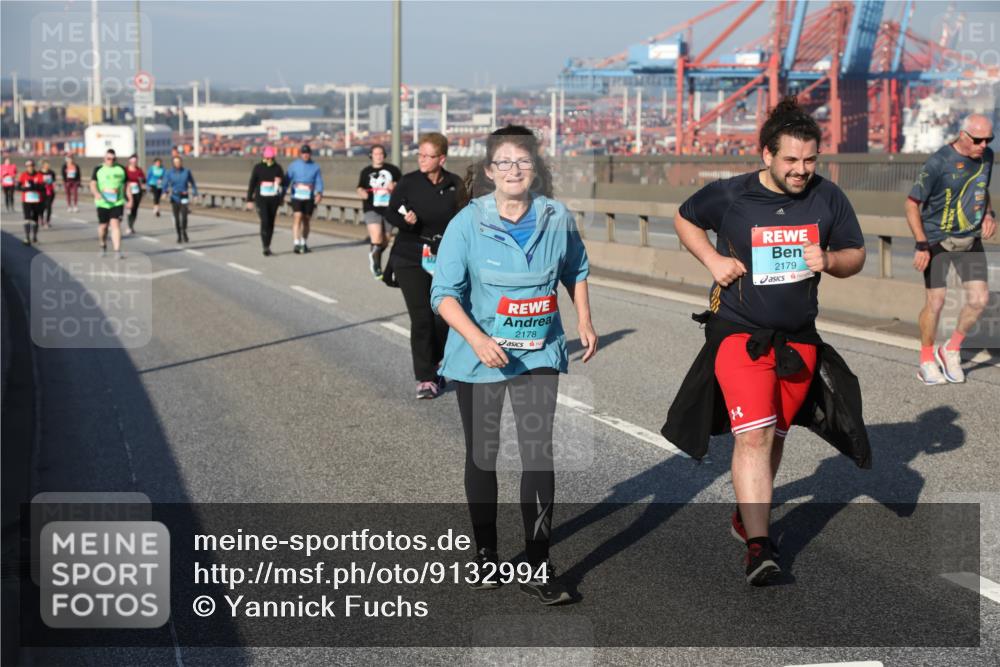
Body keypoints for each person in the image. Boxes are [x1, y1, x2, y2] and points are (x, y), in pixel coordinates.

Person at [663, 96, 868, 586]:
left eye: (810, 160)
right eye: (791, 160)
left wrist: (831, 263)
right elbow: (684, 217)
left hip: (798, 341)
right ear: (766, 156)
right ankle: (760, 547)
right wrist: (713, 262)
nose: (801, 170)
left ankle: (746, 515)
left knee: (774, 434)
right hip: (739, 333)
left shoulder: (828, 197)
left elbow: (856, 254)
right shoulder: (731, 196)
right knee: (752, 435)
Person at [431, 125, 597, 605]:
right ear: (489, 172)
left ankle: (537, 563)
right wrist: (477, 338)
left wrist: (584, 319)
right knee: (483, 454)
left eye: (522, 162)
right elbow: (443, 295)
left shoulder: (555, 216)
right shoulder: (468, 222)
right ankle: (486, 556)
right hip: (480, 357)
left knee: (537, 452)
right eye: (503, 163)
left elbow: (576, 269)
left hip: (539, 352)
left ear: (535, 170)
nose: (513, 171)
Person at [906, 113, 994, 385]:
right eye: (978, 140)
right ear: (963, 136)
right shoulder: (938, 162)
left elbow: (982, 189)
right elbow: (911, 204)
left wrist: (989, 214)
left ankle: (951, 349)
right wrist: (921, 244)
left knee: (979, 300)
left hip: (969, 237)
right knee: (937, 301)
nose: (984, 145)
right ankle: (926, 360)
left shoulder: (987, 157)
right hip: (937, 238)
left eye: (988, 139)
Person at [385, 132, 465, 399]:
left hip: (444, 257)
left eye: (427, 156)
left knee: (442, 317)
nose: (421, 160)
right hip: (411, 255)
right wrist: (405, 220)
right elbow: (390, 211)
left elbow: (466, 218)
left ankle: (439, 360)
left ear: (441, 158)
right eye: (419, 154)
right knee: (421, 318)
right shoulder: (408, 183)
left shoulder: (455, 185)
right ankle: (426, 378)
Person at [356, 144, 402, 278]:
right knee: (376, 237)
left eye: (381, 153)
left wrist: (395, 186)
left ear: (384, 155)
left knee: (386, 240)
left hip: (389, 208)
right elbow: (359, 187)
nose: (378, 156)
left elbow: (403, 185)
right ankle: (376, 267)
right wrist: (361, 192)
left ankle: (374, 257)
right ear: (371, 156)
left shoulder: (393, 170)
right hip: (371, 207)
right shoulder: (366, 171)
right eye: (376, 154)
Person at [89, 149, 132, 258]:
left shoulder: (121, 169)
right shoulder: (98, 169)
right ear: (104, 158)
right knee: (103, 227)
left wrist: (130, 199)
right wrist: (96, 193)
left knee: (115, 224)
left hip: (117, 202)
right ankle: (102, 245)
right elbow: (93, 184)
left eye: (113, 159)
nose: (111, 161)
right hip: (102, 203)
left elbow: (127, 186)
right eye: (108, 159)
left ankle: (117, 251)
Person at [285, 144, 323, 254]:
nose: (305, 155)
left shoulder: (315, 167)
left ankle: (303, 242)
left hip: (309, 197)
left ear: (310, 154)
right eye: (303, 153)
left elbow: (319, 181)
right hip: (296, 196)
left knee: (306, 220)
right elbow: (287, 180)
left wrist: (319, 193)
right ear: (300, 154)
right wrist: (281, 192)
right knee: (297, 216)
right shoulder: (293, 166)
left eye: (307, 153)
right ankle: (296, 243)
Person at [246, 146, 284, 256]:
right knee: (265, 221)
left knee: (271, 223)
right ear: (264, 157)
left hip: (273, 199)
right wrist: (249, 199)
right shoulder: (258, 167)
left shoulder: (278, 168)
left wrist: (280, 181)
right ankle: (265, 246)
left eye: (271, 158)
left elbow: (283, 184)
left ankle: (268, 244)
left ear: (273, 157)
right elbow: (252, 183)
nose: (269, 160)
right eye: (267, 158)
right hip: (261, 199)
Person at [162, 155, 198, 244]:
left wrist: (195, 194)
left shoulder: (186, 172)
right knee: (177, 218)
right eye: (175, 162)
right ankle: (179, 235)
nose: (177, 163)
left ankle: (184, 232)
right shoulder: (169, 172)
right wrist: (164, 192)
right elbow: (165, 184)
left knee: (184, 217)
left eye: (179, 162)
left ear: (181, 163)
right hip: (174, 197)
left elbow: (193, 183)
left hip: (184, 196)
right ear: (173, 163)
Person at [17, 159, 46, 245]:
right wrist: (25, 188)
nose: (30, 168)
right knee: (27, 218)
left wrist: (35, 186)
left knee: (35, 219)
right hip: (26, 201)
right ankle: (27, 237)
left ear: (34, 166)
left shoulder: (39, 175)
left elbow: (43, 187)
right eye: (28, 166)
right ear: (26, 167)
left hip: (37, 201)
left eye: (31, 166)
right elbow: (18, 187)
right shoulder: (23, 175)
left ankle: (34, 237)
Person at [124, 154, 147, 234]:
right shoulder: (125, 170)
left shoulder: (139, 170)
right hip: (127, 191)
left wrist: (142, 182)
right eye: (132, 161)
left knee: (135, 210)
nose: (134, 162)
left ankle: (132, 225)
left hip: (137, 192)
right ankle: (129, 226)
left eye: (135, 161)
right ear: (129, 161)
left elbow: (144, 180)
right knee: (129, 208)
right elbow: (122, 180)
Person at [39, 160, 57, 228]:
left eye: (48, 165)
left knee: (49, 207)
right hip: (42, 192)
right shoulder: (39, 173)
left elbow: (54, 181)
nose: (48, 166)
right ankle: (41, 219)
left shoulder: (51, 173)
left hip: (50, 192)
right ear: (43, 165)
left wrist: (53, 186)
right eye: (46, 165)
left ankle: (47, 221)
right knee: (42, 207)